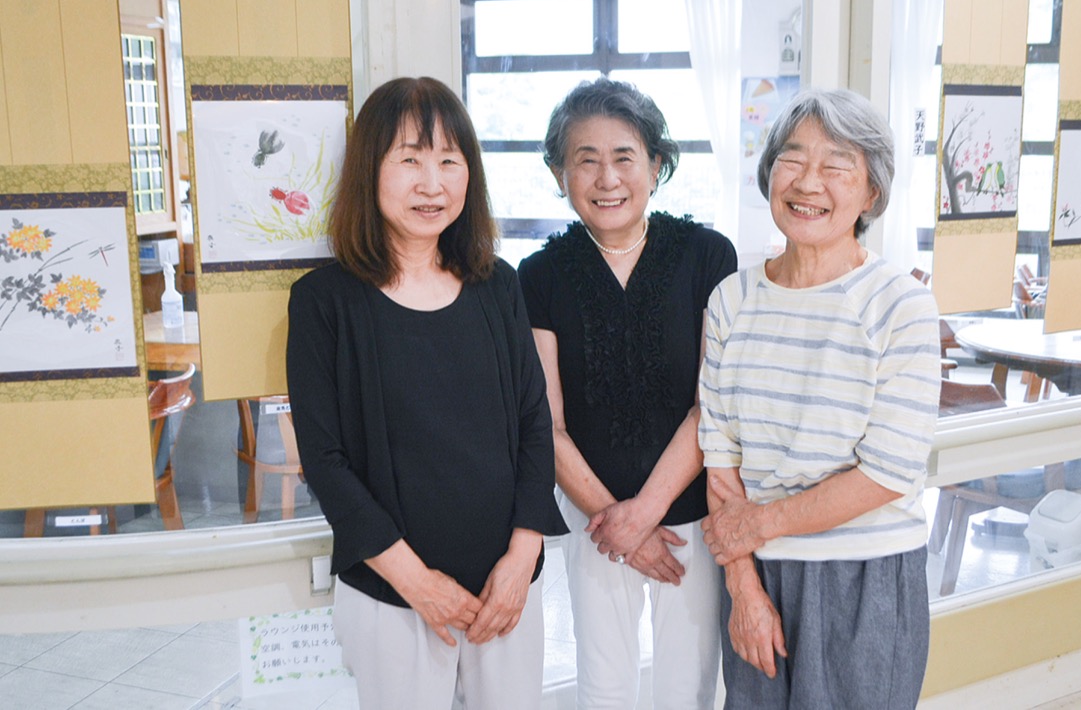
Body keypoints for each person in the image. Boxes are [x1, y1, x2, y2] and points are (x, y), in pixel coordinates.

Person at [287, 77, 567, 710]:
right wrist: (418, 584)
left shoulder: (498, 285)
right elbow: (326, 463)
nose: (432, 184)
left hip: (506, 590)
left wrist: (522, 557)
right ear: (370, 169)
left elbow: (534, 424)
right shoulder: (324, 303)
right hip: (392, 595)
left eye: (448, 160)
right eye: (410, 160)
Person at [699, 88, 940, 709]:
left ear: (871, 193)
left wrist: (755, 526)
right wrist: (743, 586)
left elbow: (888, 472)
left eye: (837, 165)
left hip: (864, 574)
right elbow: (719, 454)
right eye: (793, 159)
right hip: (756, 570)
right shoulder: (731, 300)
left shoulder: (901, 306)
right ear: (769, 172)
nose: (809, 182)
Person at [518, 77, 737, 708]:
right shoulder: (539, 275)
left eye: (624, 157)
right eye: (585, 160)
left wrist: (646, 516)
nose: (607, 178)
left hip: (692, 514)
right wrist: (619, 523)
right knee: (604, 688)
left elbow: (710, 404)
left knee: (688, 688)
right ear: (559, 173)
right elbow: (548, 424)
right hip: (595, 521)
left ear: (656, 165)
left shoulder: (706, 256)